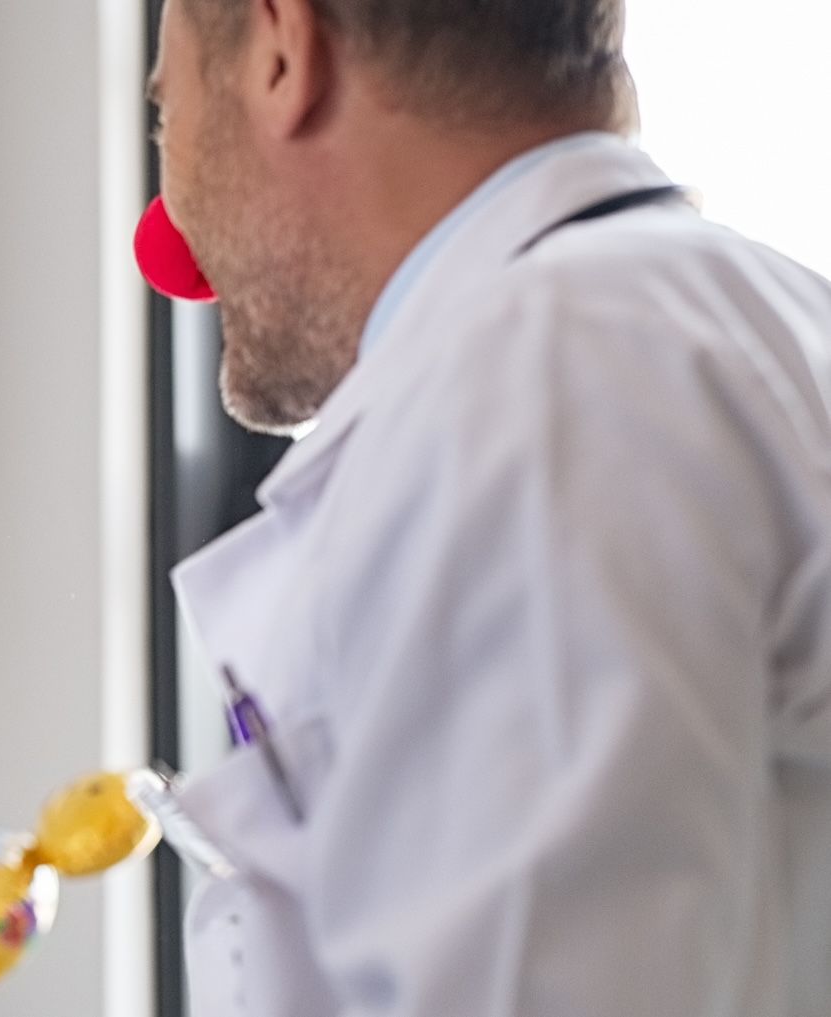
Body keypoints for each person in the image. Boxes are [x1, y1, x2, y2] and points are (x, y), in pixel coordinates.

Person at [146, 0, 831, 1014]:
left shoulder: (544, 371)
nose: (170, 228)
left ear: (284, 52)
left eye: (167, 116)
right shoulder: (751, 316)